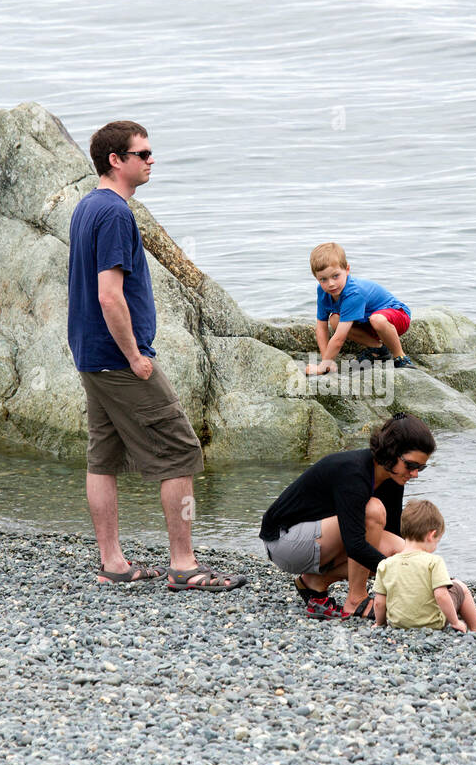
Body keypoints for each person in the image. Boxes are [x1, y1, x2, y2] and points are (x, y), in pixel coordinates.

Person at [68, 120, 246, 592]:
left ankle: (113, 563)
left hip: (90, 354)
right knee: (180, 451)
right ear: (116, 160)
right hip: (119, 358)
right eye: (142, 154)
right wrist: (136, 357)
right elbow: (110, 295)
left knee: (102, 456)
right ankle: (184, 565)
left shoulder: (88, 206)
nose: (151, 160)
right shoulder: (114, 214)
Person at [259, 413, 434, 619]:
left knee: (401, 552)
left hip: (319, 540)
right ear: (392, 452)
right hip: (284, 542)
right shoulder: (354, 472)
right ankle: (356, 599)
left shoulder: (392, 478)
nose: (414, 474)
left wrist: (421, 573)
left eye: (420, 468)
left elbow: (391, 534)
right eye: (411, 465)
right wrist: (399, 574)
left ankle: (315, 583)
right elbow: (356, 546)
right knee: (374, 511)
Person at [371, 499, 476, 634]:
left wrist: (380, 623)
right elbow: (441, 595)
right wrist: (455, 622)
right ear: (431, 535)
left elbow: (379, 602)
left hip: (398, 623)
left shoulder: (385, 564)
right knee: (461, 587)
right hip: (432, 622)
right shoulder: (434, 562)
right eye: (437, 541)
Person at [304, 242, 415, 374]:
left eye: (335, 276)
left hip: (397, 317)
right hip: (368, 322)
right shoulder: (322, 292)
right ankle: (378, 349)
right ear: (316, 278)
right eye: (323, 279)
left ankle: (400, 357)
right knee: (334, 319)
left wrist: (321, 368)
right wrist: (326, 361)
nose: (331, 284)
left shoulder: (354, 294)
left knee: (377, 319)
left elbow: (339, 339)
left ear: (347, 269)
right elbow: (321, 327)